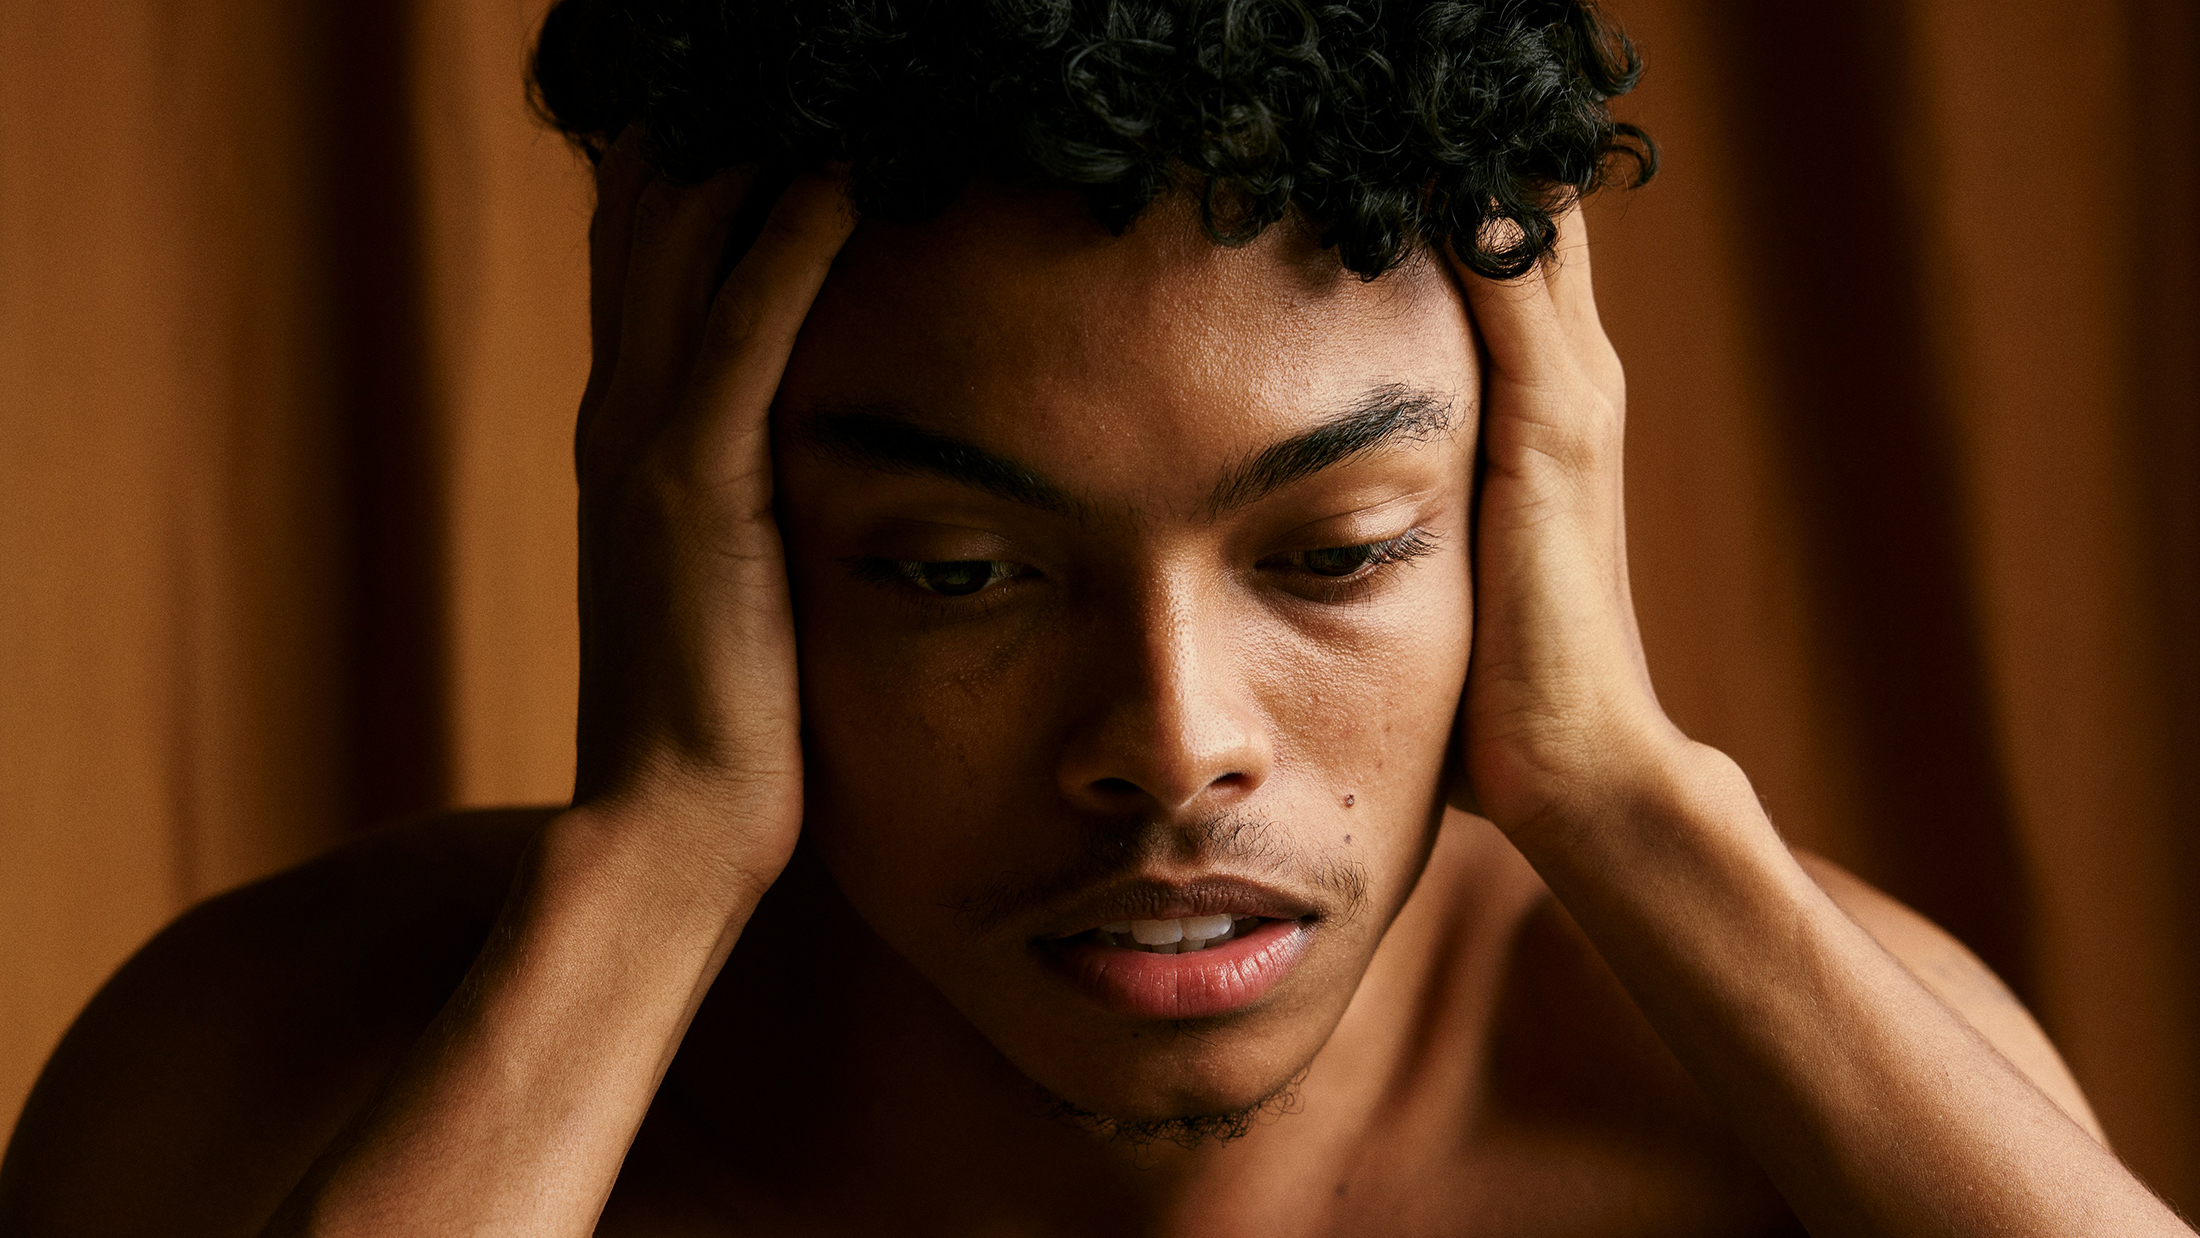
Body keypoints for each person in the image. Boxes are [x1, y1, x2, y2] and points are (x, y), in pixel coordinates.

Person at [1, 0, 2189, 1234]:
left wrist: (1624, 791)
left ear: (1525, 517)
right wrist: (658, 845)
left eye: (1330, 551)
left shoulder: (1801, 1107)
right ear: (702, 536)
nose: (1167, 737)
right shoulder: (273, 1085)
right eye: (957, 573)